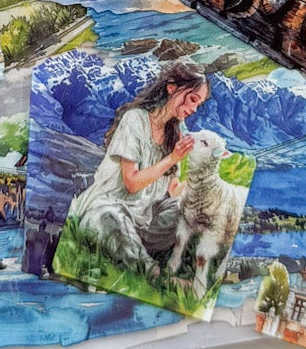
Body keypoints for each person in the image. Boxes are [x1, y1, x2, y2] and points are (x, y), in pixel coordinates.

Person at [65, 64, 210, 273]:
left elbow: (173, 191)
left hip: (145, 221)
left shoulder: (175, 134)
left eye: (199, 104)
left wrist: (201, 184)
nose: (194, 108)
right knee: (107, 216)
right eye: (193, 99)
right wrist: (172, 158)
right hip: (109, 209)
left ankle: (149, 254)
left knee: (189, 209)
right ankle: (151, 272)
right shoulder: (135, 119)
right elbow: (131, 183)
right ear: (172, 88)